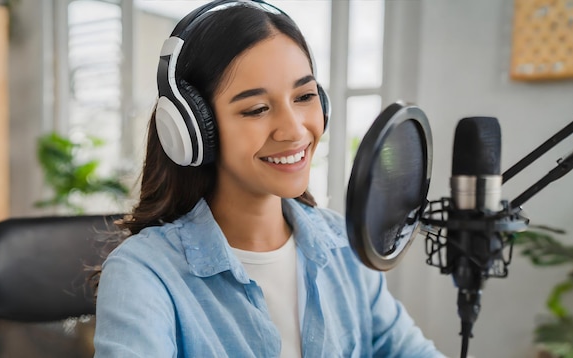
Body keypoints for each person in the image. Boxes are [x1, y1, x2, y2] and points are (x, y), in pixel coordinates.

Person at [93, 1, 445, 357]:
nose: (294, 130)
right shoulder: (144, 273)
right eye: (257, 108)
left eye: (305, 96)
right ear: (195, 130)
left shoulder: (344, 247)